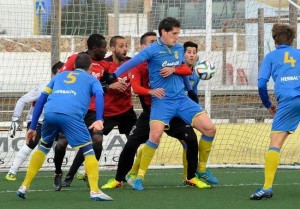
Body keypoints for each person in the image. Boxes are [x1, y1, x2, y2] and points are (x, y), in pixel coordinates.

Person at [103, 17, 217, 191]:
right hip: (162, 103)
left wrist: (177, 74)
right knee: (154, 137)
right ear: (163, 32)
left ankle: (200, 171)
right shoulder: (152, 50)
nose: (177, 37)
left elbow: (186, 70)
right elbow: (132, 62)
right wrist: (114, 74)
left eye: (178, 33)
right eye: (174, 33)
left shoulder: (179, 48)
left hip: (181, 100)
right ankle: (137, 177)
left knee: (209, 129)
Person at [16, 53, 112, 201]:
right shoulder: (92, 79)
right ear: (91, 67)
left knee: (43, 147)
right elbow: (99, 95)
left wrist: (32, 127)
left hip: (50, 113)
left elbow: (41, 99)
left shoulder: (59, 76)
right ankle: (95, 191)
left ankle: (24, 186)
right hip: (71, 115)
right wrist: (99, 119)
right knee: (88, 150)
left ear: (74, 66)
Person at [52, 34, 127, 190]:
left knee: (97, 141)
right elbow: (61, 79)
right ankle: (58, 172)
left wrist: (114, 83)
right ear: (94, 48)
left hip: (92, 111)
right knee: (61, 144)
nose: (106, 51)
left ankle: (89, 173)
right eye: (103, 47)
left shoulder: (103, 65)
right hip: (74, 109)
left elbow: (104, 82)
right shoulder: (76, 59)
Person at [250, 23, 300, 200]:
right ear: (292, 39)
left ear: (274, 39)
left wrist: (268, 104)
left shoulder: (271, 57)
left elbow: (261, 84)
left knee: (275, 144)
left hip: (288, 101)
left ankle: (267, 187)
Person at [5, 61, 64, 181]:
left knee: (70, 141)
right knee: (32, 142)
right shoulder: (43, 87)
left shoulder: (65, 88)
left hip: (55, 121)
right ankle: (11, 172)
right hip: (37, 121)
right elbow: (22, 100)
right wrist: (15, 119)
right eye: (61, 72)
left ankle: (80, 171)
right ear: (54, 74)